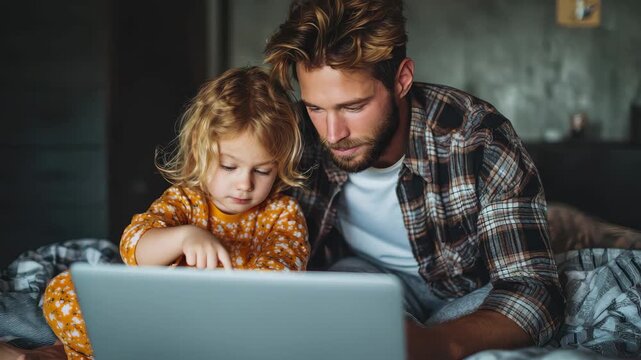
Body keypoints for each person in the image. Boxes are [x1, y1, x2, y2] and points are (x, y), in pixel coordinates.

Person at [264, 0, 564, 359]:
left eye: (353, 106)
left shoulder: (478, 136)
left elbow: (534, 290)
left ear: (402, 79)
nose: (332, 134)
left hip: (465, 295)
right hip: (365, 278)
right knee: (342, 281)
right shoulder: (293, 136)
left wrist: (438, 344)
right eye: (316, 108)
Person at [40, 66, 310, 360]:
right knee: (63, 291)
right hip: (165, 320)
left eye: (262, 170)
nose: (245, 184)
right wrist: (184, 237)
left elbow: (283, 273)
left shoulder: (282, 212)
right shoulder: (185, 199)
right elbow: (133, 247)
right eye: (229, 166)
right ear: (199, 152)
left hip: (232, 327)